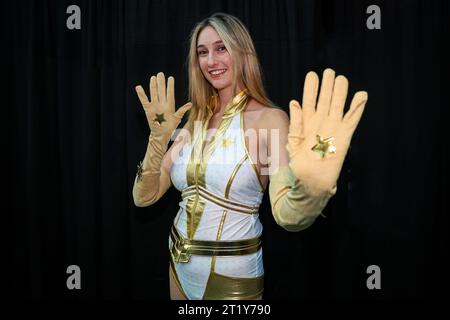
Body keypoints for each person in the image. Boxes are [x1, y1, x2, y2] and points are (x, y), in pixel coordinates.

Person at [132, 13, 367, 300]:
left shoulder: (271, 120)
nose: (211, 61)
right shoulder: (194, 120)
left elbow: (285, 215)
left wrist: (311, 190)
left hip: (231, 277)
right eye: (202, 52)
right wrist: (157, 140)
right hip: (177, 265)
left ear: (243, 52)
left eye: (221, 48)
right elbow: (145, 196)